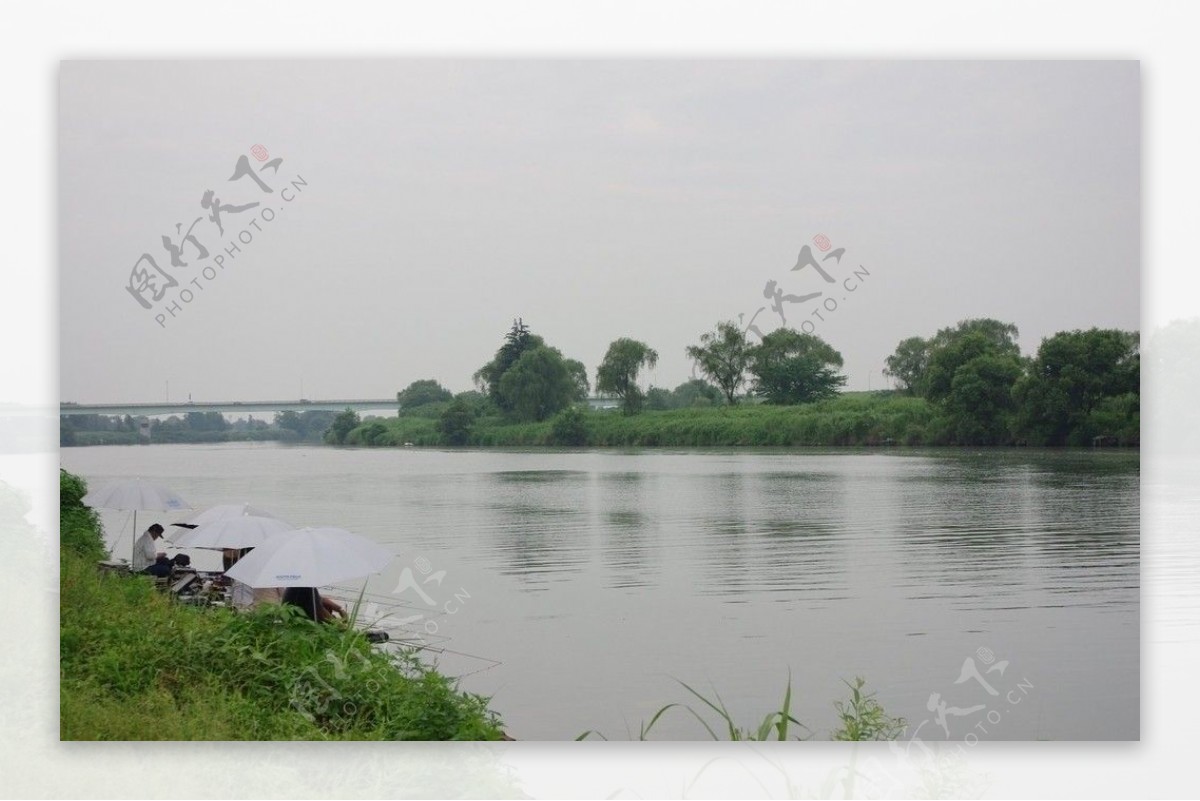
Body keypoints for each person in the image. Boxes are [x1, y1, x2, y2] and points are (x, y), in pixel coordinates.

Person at [281, 587, 346, 623]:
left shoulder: (303, 584)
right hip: (297, 622)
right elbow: (320, 611)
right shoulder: (306, 587)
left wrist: (339, 609)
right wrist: (338, 625)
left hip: (300, 615)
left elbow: (320, 599)